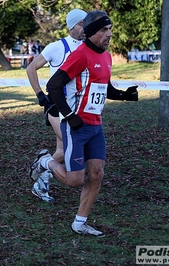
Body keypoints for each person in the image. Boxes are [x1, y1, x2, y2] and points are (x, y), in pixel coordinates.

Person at [29, 10, 138, 236]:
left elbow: (103, 87)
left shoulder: (106, 56)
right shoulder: (80, 55)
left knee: (97, 173)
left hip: (96, 126)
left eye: (110, 29)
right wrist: (69, 116)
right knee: (74, 180)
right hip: (75, 126)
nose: (109, 34)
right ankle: (46, 162)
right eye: (103, 30)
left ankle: (80, 222)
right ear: (90, 33)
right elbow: (54, 86)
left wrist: (124, 95)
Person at [27, 9, 87, 169]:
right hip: (56, 106)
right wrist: (39, 94)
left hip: (76, 106)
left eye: (86, 23)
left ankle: (41, 172)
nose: (85, 28)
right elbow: (31, 68)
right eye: (81, 24)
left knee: (61, 150)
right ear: (71, 26)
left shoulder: (87, 48)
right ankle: (41, 168)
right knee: (73, 144)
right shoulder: (56, 47)